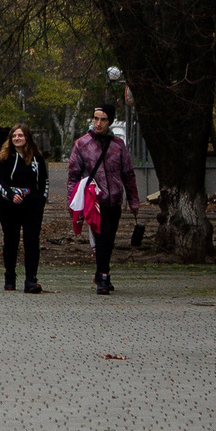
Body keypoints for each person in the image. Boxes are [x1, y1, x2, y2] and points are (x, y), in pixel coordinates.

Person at [65, 105, 138, 294]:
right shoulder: (82, 144)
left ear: (110, 121)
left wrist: (133, 200)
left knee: (109, 238)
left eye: (103, 119)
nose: (98, 123)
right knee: (102, 237)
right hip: (94, 200)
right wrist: (71, 202)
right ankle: (104, 276)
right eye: (96, 118)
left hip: (114, 199)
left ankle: (101, 272)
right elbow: (73, 175)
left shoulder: (118, 145)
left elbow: (128, 174)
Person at [0, 123, 49, 294]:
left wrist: (41, 200)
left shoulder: (37, 159)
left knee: (32, 241)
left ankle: (31, 279)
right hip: (10, 206)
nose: (17, 138)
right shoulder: (4, 158)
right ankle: (9, 277)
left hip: (32, 206)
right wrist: (10, 194)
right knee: (11, 241)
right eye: (14, 136)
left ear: (27, 138)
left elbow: (44, 181)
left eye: (20, 136)